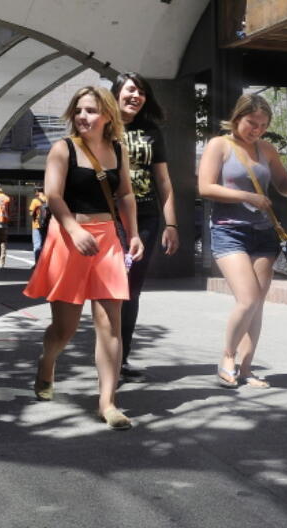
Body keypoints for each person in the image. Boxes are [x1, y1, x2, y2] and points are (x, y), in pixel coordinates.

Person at [24, 85, 144, 430]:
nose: (83, 117)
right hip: (68, 238)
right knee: (66, 328)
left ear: (108, 114)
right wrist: (75, 230)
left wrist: (133, 234)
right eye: (79, 110)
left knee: (110, 324)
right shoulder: (63, 149)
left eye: (91, 110)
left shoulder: (118, 150)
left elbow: (125, 195)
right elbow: (53, 195)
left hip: (108, 240)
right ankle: (47, 362)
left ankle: (108, 403)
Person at [198, 92, 287, 390]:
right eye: (251, 122)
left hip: (263, 233)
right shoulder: (219, 145)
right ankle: (227, 358)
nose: (256, 129)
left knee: (257, 304)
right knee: (246, 299)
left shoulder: (267, 149)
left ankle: (246, 369)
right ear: (236, 118)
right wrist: (247, 196)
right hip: (228, 230)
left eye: (262, 124)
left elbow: (283, 188)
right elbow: (205, 187)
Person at [113, 72, 178, 381]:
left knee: (131, 289)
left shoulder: (151, 130)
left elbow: (163, 180)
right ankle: (107, 351)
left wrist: (172, 223)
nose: (136, 95)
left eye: (141, 91)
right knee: (110, 286)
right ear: (115, 94)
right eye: (130, 90)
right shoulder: (102, 125)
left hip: (147, 217)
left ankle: (120, 357)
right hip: (109, 217)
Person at [28, 188, 48, 264]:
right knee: (44, 245)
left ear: (37, 192)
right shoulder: (48, 200)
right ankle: (44, 263)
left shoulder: (35, 201)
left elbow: (31, 213)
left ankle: (37, 264)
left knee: (37, 245)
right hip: (46, 225)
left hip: (37, 225)